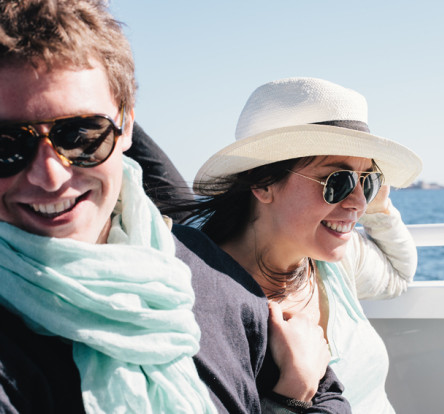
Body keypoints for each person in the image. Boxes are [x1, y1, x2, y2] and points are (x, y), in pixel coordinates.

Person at [0, 2, 348, 413]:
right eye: (6, 144)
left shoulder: (215, 280)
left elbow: (329, 396)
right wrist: (288, 399)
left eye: (79, 134)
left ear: (126, 124)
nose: (51, 176)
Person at [178, 77, 422, 413]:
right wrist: (294, 392)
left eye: (367, 181)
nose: (357, 203)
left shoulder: (333, 261)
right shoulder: (206, 298)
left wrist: (378, 207)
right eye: (337, 180)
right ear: (263, 183)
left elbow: (398, 274)